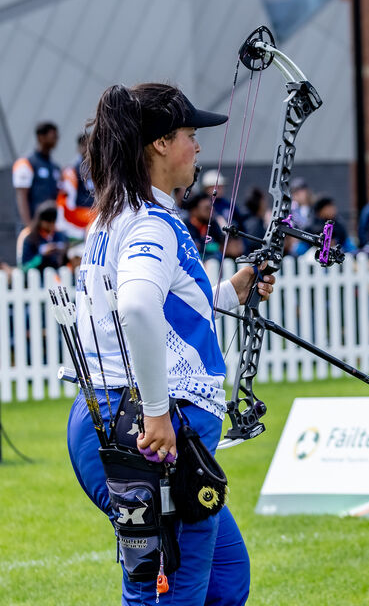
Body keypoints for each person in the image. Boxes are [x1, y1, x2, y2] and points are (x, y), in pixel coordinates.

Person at [67, 83, 274, 605]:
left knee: (225, 576)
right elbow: (137, 307)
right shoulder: (151, 223)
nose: (197, 147)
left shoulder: (116, 216)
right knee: (169, 592)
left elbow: (161, 314)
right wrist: (158, 413)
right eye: (189, 135)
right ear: (159, 144)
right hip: (150, 428)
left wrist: (232, 289)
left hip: (119, 421)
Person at [13, 120, 61, 233]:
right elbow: (21, 197)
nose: (56, 139)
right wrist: (28, 227)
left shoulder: (55, 167)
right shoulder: (26, 163)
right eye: (52, 135)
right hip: (32, 227)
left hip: (49, 227)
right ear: (41, 137)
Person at [57, 132, 96, 239]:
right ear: (79, 148)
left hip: (97, 210)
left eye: (90, 144)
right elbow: (69, 200)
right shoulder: (72, 170)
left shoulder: (100, 168)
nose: (87, 148)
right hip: (81, 211)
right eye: (84, 145)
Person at [182, 192, 243, 260]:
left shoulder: (213, 223)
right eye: (207, 208)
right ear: (194, 211)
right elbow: (194, 247)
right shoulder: (185, 226)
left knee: (228, 262)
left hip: (215, 260)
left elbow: (224, 245)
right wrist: (217, 247)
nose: (211, 211)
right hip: (194, 263)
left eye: (212, 208)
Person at [16, 201, 68, 271]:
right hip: (35, 278)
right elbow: (24, 267)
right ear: (40, 221)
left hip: (59, 277)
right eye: (48, 222)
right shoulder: (30, 238)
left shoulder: (60, 236)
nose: (51, 225)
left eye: (53, 221)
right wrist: (42, 256)